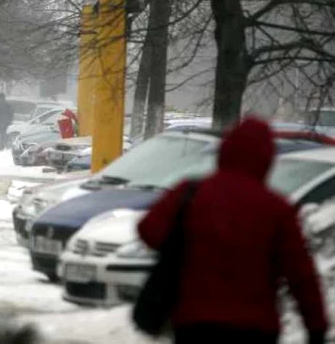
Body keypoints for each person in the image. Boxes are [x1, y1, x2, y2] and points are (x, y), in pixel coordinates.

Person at [138, 116, 328, 344]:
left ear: (225, 151)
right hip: (255, 328)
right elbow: (301, 274)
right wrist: (316, 327)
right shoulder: (276, 209)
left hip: (195, 323)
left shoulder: (190, 193)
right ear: (266, 159)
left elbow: (148, 230)